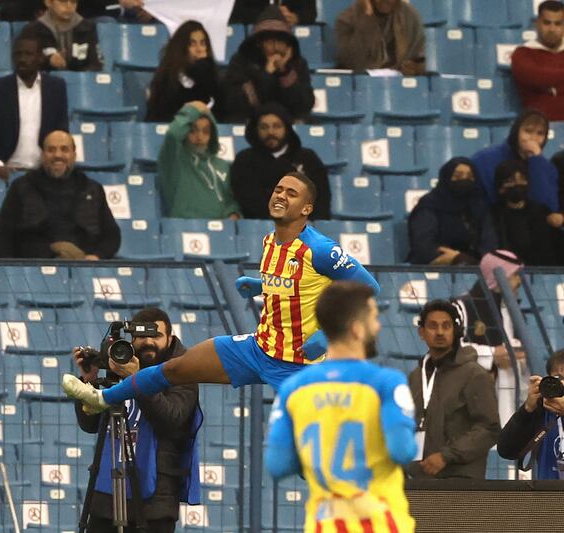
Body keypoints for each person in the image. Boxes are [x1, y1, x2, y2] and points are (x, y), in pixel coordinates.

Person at [62, 171, 381, 412]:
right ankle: (102, 398)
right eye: (278, 189)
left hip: (299, 367)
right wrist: (260, 284)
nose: (281, 195)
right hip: (259, 349)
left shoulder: (321, 249)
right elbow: (297, 285)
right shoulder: (271, 240)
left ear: (306, 207)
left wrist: (327, 338)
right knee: (175, 368)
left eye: (292, 193)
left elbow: (369, 288)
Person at [265, 281, 416, 532]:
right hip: (380, 524)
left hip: (323, 525)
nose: (378, 326)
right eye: (374, 318)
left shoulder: (293, 389)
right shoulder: (386, 383)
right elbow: (402, 450)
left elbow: (278, 463)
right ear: (357, 330)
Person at [73, 307, 201, 533]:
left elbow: (171, 420)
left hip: (154, 503)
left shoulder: (183, 371)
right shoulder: (117, 367)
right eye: (141, 337)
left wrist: (136, 379)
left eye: (156, 335)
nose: (148, 342)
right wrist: (89, 381)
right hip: (106, 496)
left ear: (170, 338)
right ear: (131, 339)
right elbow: (90, 425)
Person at [407, 300, 501, 480]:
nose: (440, 332)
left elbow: (489, 429)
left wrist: (446, 456)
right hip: (420, 478)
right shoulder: (416, 376)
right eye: (433, 326)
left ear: (456, 332)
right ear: (421, 332)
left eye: (446, 326)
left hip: (461, 479)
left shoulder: (474, 374)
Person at [0, 130, 120, 259]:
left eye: (64, 149)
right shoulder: (21, 187)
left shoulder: (92, 189)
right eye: (51, 150)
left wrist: (97, 256)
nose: (58, 155)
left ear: (74, 155)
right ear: (42, 155)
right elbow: (1, 238)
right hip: (33, 271)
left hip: (83, 270)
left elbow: (112, 235)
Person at [0, 32, 69, 182]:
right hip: (5, 171)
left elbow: (61, 128)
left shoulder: (56, 87)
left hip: (44, 173)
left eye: (28, 54)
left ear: (40, 57)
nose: (22, 59)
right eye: (18, 54)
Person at [451, 250, 528, 426]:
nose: (519, 282)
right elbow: (451, 350)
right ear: (497, 276)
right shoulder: (461, 307)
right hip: (474, 402)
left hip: (511, 399)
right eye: (515, 275)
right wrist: (492, 354)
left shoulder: (515, 313)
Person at [230, 102, 330, 220]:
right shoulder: (244, 160)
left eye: (277, 126)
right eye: (264, 127)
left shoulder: (308, 158)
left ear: (287, 128)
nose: (270, 132)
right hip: (260, 229)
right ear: (256, 130)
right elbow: (247, 201)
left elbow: (321, 199)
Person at [223, 6, 314, 123]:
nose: (276, 47)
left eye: (281, 41)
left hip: (286, 124)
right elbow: (235, 104)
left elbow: (303, 106)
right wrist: (265, 74)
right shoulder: (241, 61)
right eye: (271, 42)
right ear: (259, 43)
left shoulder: (298, 63)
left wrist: (285, 73)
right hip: (251, 121)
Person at [157, 101, 240, 219]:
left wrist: (233, 213)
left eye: (206, 131)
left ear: (213, 135)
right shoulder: (174, 160)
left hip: (220, 231)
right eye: (192, 130)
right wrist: (192, 110)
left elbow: (231, 201)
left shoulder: (223, 165)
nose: (199, 137)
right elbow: (172, 134)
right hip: (182, 228)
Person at [407, 157, 497, 265]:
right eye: (458, 176)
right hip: (436, 265)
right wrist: (451, 258)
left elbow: (489, 243)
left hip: (474, 266)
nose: (464, 179)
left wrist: (463, 258)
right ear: (446, 177)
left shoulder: (479, 205)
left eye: (470, 176)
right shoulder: (430, 204)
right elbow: (423, 244)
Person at [472, 109, 560, 213]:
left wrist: (536, 161)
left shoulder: (547, 167)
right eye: (528, 131)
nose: (533, 138)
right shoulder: (484, 159)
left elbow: (548, 207)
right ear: (516, 131)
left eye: (540, 133)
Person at [497, 350, 564, 480]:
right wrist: (528, 409)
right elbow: (507, 450)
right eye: (558, 378)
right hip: (549, 495)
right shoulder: (543, 410)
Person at [145, 20, 222, 123]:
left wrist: (204, 69)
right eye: (192, 44)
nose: (199, 49)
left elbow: (218, 111)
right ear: (181, 47)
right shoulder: (168, 77)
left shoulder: (212, 76)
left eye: (203, 43)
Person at [490, 160, 563, 266]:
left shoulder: (540, 210)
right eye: (511, 181)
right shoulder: (493, 214)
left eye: (522, 180)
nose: (517, 185)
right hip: (508, 271)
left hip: (543, 270)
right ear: (501, 188)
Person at [335, 0, 425, 75]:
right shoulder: (347, 20)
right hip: (364, 85)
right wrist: (367, 16)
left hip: (401, 84)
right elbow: (354, 63)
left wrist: (417, 67)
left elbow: (423, 59)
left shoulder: (410, 16)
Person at [511, 1, 564, 122]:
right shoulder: (522, 54)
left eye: (558, 24)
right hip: (539, 129)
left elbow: (543, 78)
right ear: (537, 23)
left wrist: (550, 85)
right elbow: (536, 77)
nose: (552, 29)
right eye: (547, 23)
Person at [23, 0, 103, 72]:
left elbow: (96, 63)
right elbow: (24, 61)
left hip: (80, 84)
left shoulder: (88, 28)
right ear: (48, 2)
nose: (69, 6)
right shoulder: (33, 29)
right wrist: (48, 60)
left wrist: (80, 77)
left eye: (73, 2)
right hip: (46, 84)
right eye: (63, 1)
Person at [231, 0, 317, 25]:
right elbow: (236, 12)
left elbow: (310, 13)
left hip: (289, 39)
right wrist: (268, 15)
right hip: (254, 37)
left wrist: (295, 17)